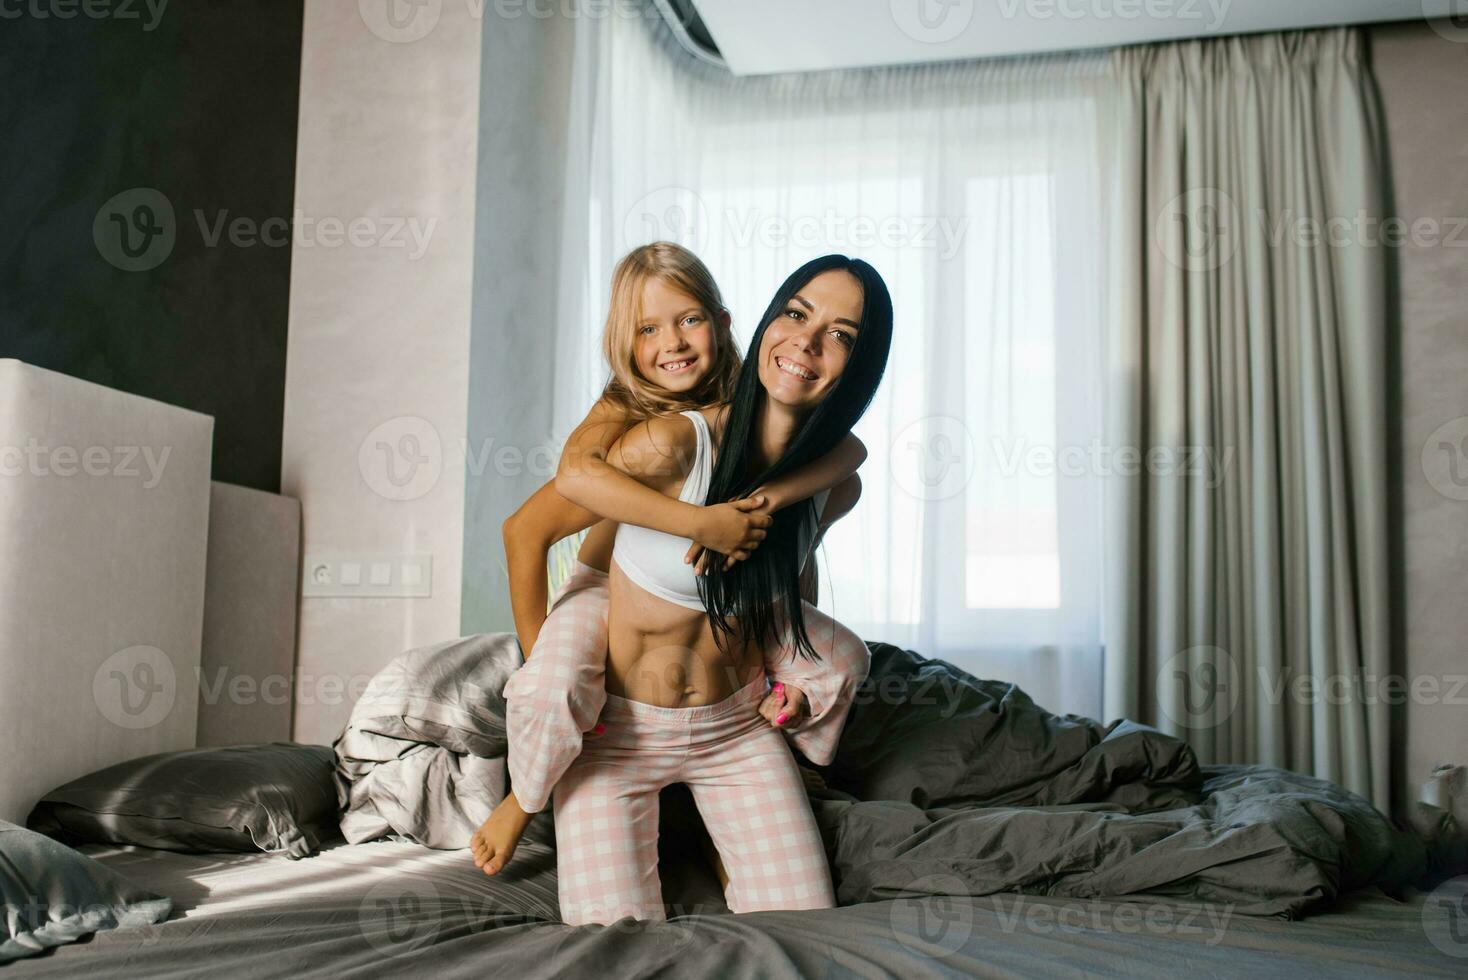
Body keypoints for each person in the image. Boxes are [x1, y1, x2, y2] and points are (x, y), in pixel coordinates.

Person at [503, 255, 892, 925]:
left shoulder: (820, 464)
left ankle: (767, 793)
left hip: (733, 726)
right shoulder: (652, 430)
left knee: (805, 931)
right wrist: (699, 523)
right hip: (618, 724)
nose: (806, 341)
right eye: (796, 315)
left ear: (724, 323)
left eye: (842, 334)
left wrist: (791, 667)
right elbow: (553, 499)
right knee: (614, 945)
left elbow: (800, 559)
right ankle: (524, 793)